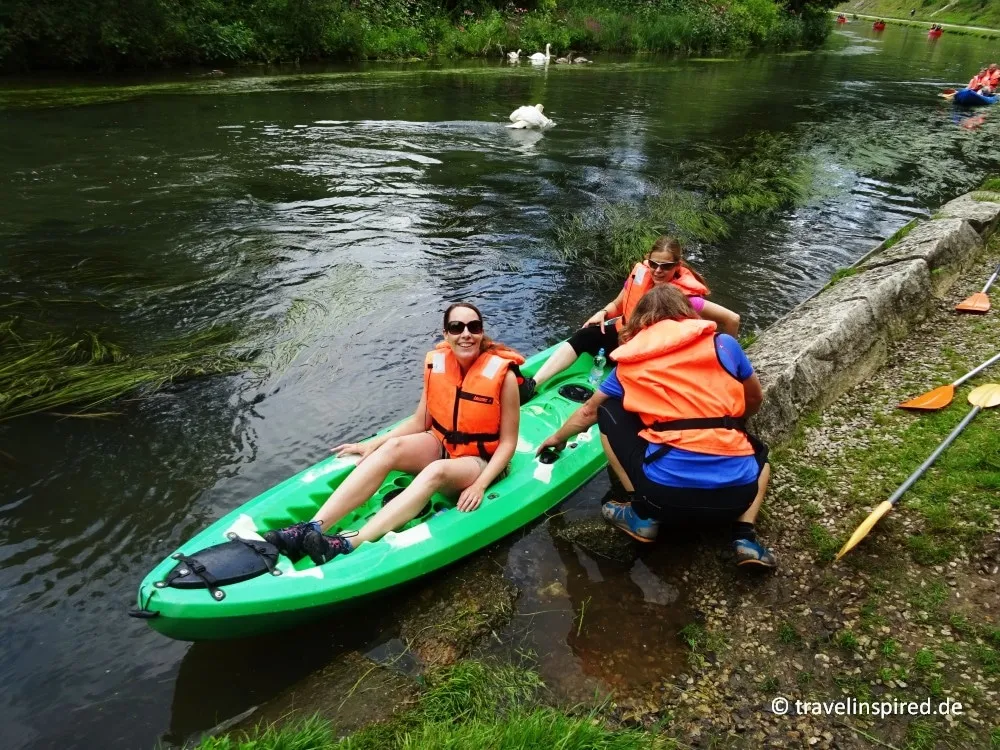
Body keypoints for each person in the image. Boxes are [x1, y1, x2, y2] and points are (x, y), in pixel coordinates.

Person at [536, 285, 777, 568]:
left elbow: (589, 412)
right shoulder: (724, 344)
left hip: (664, 498)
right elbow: (754, 396)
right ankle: (744, 536)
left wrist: (558, 437)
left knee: (609, 409)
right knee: (761, 457)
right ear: (686, 313)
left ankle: (640, 514)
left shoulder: (631, 359)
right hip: (737, 496)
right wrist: (733, 425)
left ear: (641, 321)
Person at [263, 302, 522, 565]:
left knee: (435, 471)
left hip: (479, 461)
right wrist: (373, 444)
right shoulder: (437, 365)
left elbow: (508, 443)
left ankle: (348, 542)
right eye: (457, 327)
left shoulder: (504, 377)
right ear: (446, 334)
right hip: (441, 444)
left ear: (481, 332)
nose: (466, 334)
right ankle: (313, 527)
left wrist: (480, 484)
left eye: (473, 327)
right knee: (391, 448)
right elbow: (421, 421)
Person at [522, 235, 740, 398]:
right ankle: (533, 384)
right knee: (584, 335)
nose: (657, 271)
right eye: (654, 264)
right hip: (624, 337)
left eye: (666, 266)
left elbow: (732, 319)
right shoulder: (640, 275)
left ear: (677, 266)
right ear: (648, 261)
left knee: (630, 381)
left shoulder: (686, 298)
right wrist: (603, 312)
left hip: (649, 355)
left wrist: (723, 364)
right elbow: (618, 304)